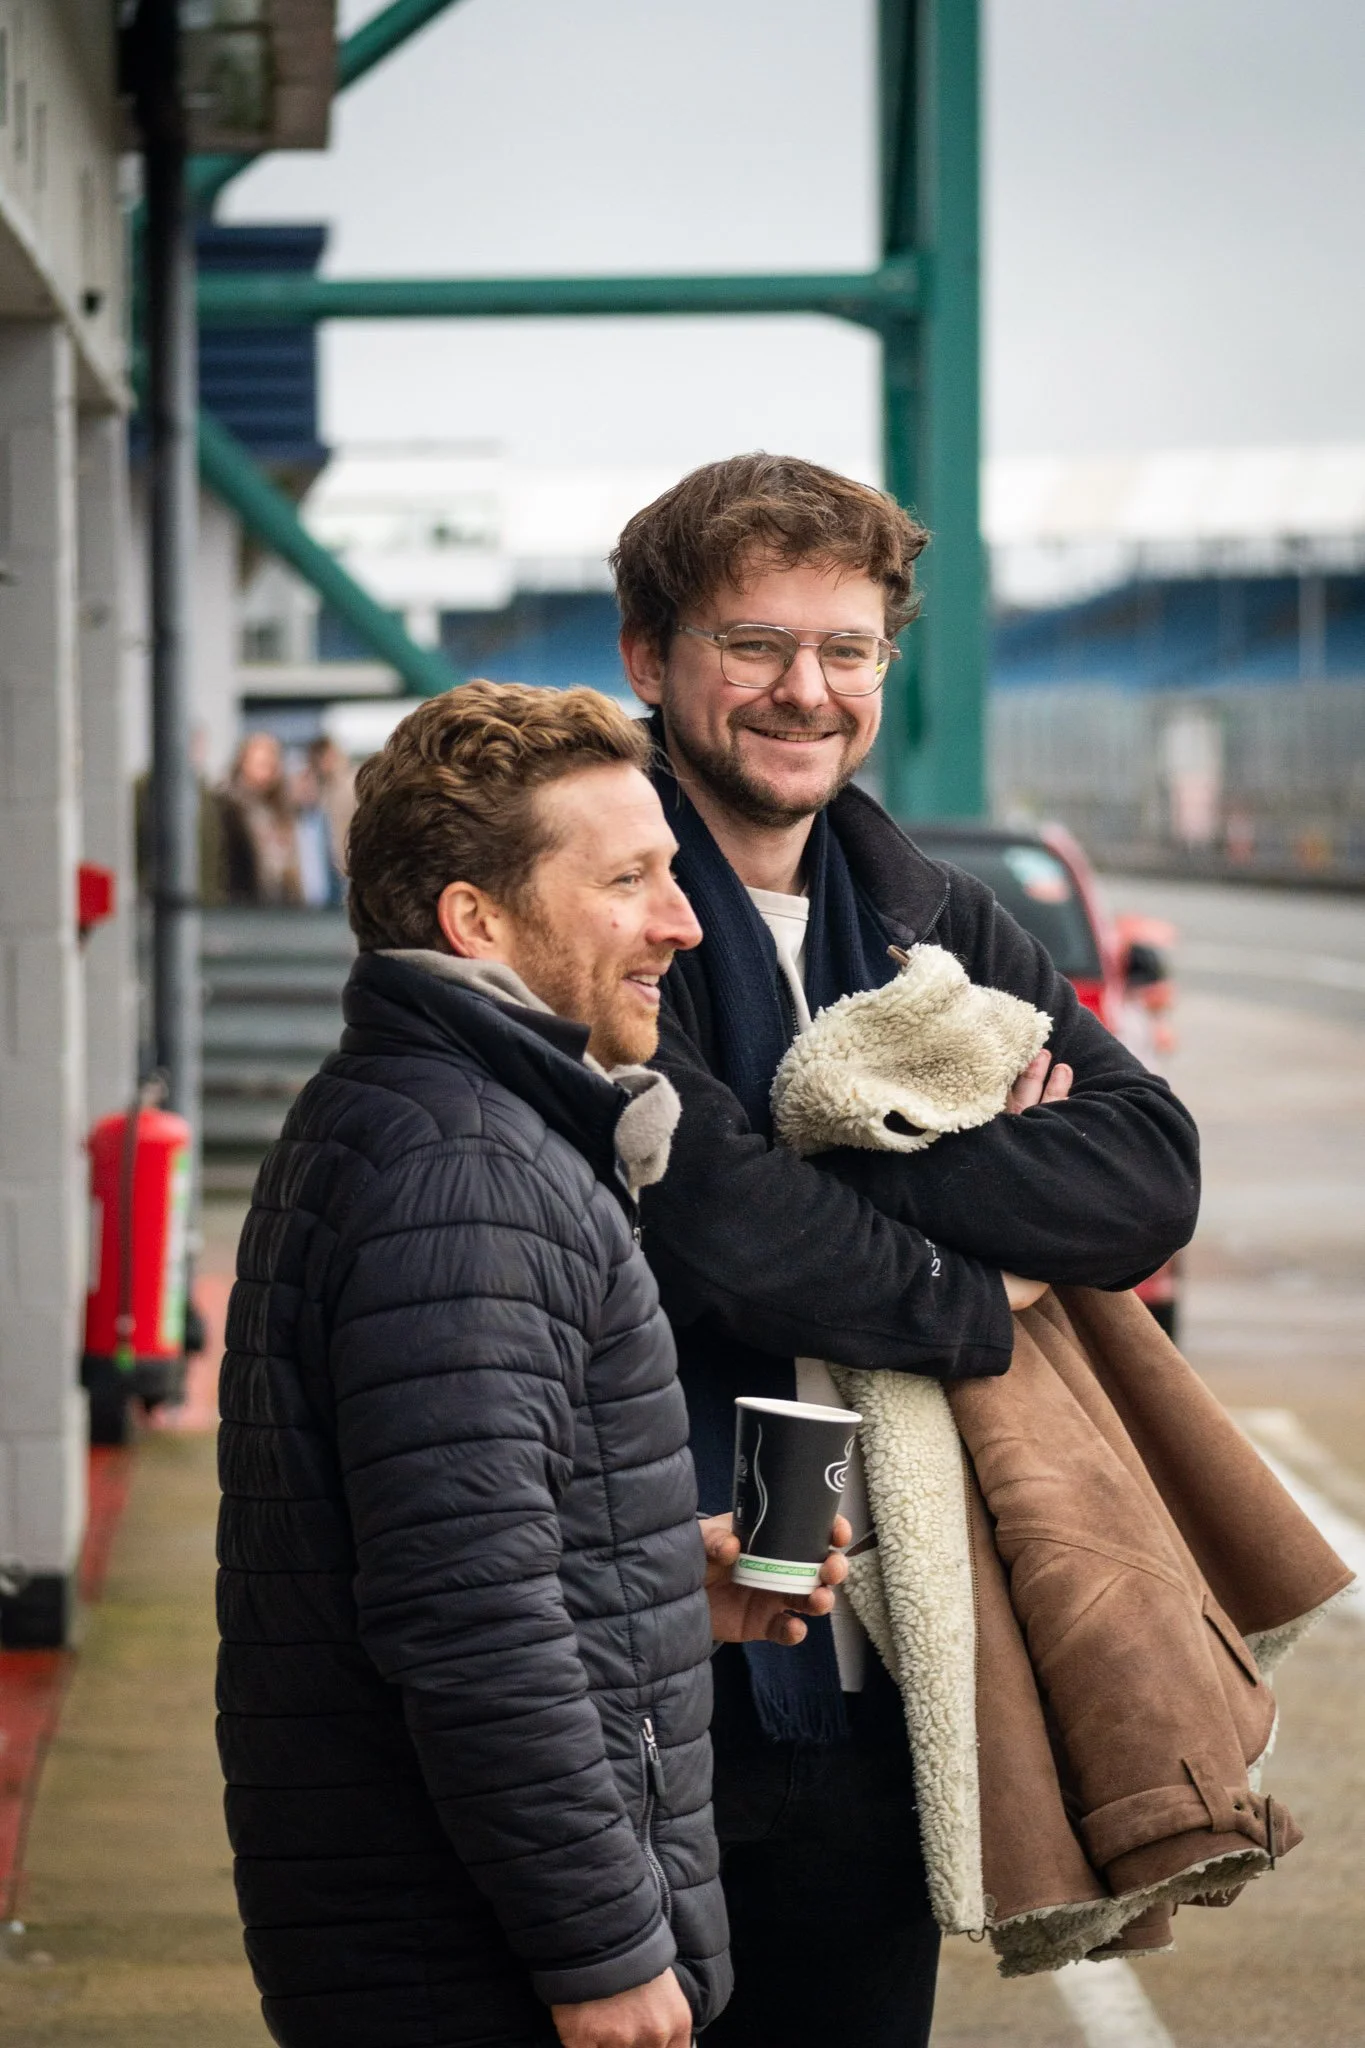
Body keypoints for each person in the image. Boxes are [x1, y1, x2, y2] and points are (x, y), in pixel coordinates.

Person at [610, 453, 1202, 2048]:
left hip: (872, 1667)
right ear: (647, 658)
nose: (805, 691)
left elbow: (1148, 1178)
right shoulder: (600, 903)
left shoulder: (930, 912)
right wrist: (972, 1264)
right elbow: (711, 1229)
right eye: (753, 645)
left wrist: (818, 1160)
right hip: (643, 1659)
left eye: (847, 649)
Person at [216, 679, 847, 2048]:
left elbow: (429, 1533)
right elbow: (466, 1618)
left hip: (434, 1935)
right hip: (473, 1962)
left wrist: (654, 1575)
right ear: (475, 922)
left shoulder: (427, 1121)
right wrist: (605, 1956)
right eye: (628, 882)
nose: (681, 922)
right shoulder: (469, 1172)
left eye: (671, 876)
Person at [220, 730, 302, 904]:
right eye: (260, 764)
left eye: (271, 764)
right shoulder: (230, 808)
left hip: (279, 904)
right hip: (244, 904)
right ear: (243, 763)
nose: (267, 771)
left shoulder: (280, 809)